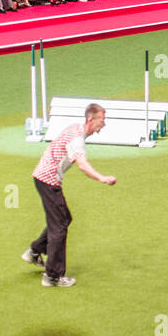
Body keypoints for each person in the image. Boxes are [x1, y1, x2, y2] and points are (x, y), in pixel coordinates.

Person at [24, 103, 116, 287]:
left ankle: (34, 252)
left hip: (42, 177)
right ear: (91, 119)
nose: (103, 125)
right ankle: (52, 276)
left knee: (63, 218)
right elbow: (82, 165)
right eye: (101, 121)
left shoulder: (75, 128)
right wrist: (102, 178)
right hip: (48, 181)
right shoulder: (77, 139)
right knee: (59, 226)